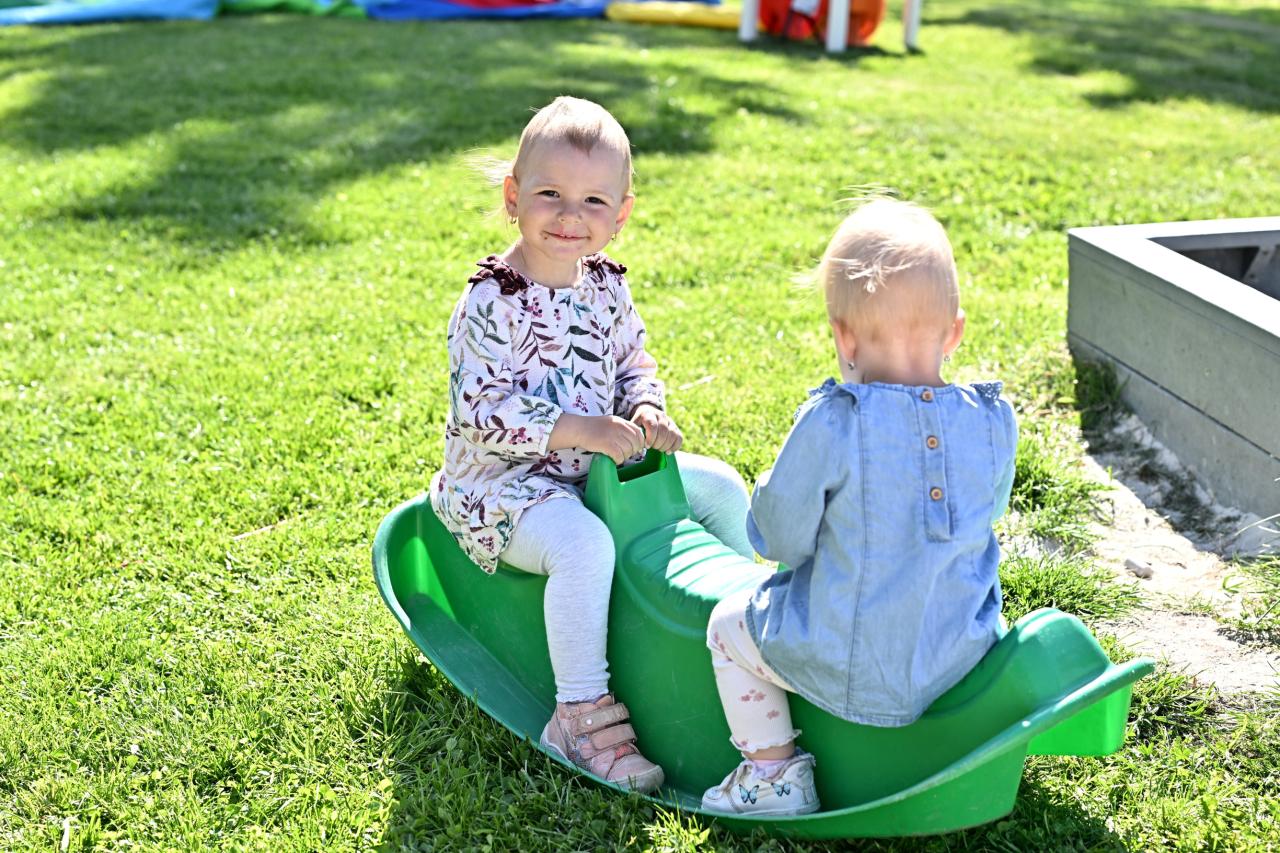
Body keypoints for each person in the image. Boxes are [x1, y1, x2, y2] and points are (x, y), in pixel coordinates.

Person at [430, 96, 753, 793]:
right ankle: (577, 713)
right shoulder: (491, 300)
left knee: (723, 487)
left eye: (593, 201)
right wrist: (585, 430)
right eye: (550, 194)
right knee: (582, 545)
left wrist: (644, 407)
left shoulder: (606, 286)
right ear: (513, 196)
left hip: (597, 472)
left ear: (621, 214)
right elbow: (481, 413)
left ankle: (748, 634)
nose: (570, 216)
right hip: (503, 489)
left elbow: (635, 362)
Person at [700, 198, 1018, 816]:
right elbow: (989, 509)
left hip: (846, 661)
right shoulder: (992, 418)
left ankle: (772, 777)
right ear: (955, 331)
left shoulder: (836, 421)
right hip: (962, 655)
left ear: (843, 336)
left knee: (727, 627)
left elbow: (777, 539)